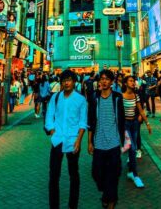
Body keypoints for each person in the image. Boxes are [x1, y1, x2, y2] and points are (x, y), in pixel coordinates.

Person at [46, 70, 88, 209]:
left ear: (74, 82)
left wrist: (79, 140)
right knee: (53, 176)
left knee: (74, 175)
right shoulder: (56, 97)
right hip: (57, 140)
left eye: (69, 80)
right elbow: (49, 113)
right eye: (64, 80)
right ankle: (54, 205)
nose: (66, 82)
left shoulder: (81, 99)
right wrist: (51, 129)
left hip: (72, 141)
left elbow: (83, 122)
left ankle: (73, 205)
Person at [87, 69, 126, 209]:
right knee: (97, 173)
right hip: (98, 143)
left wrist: (125, 139)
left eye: (106, 79)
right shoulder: (94, 97)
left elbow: (122, 120)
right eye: (101, 78)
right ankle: (106, 194)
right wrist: (89, 142)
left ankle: (111, 201)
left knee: (113, 174)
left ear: (111, 81)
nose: (103, 81)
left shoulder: (117, 97)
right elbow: (90, 121)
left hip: (114, 142)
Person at [122, 75, 151, 188]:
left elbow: (141, 111)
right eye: (130, 81)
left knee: (132, 149)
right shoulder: (121, 97)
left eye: (133, 81)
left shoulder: (136, 96)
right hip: (125, 125)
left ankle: (130, 171)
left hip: (134, 124)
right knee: (133, 149)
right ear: (125, 83)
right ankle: (135, 175)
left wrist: (147, 123)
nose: (133, 83)